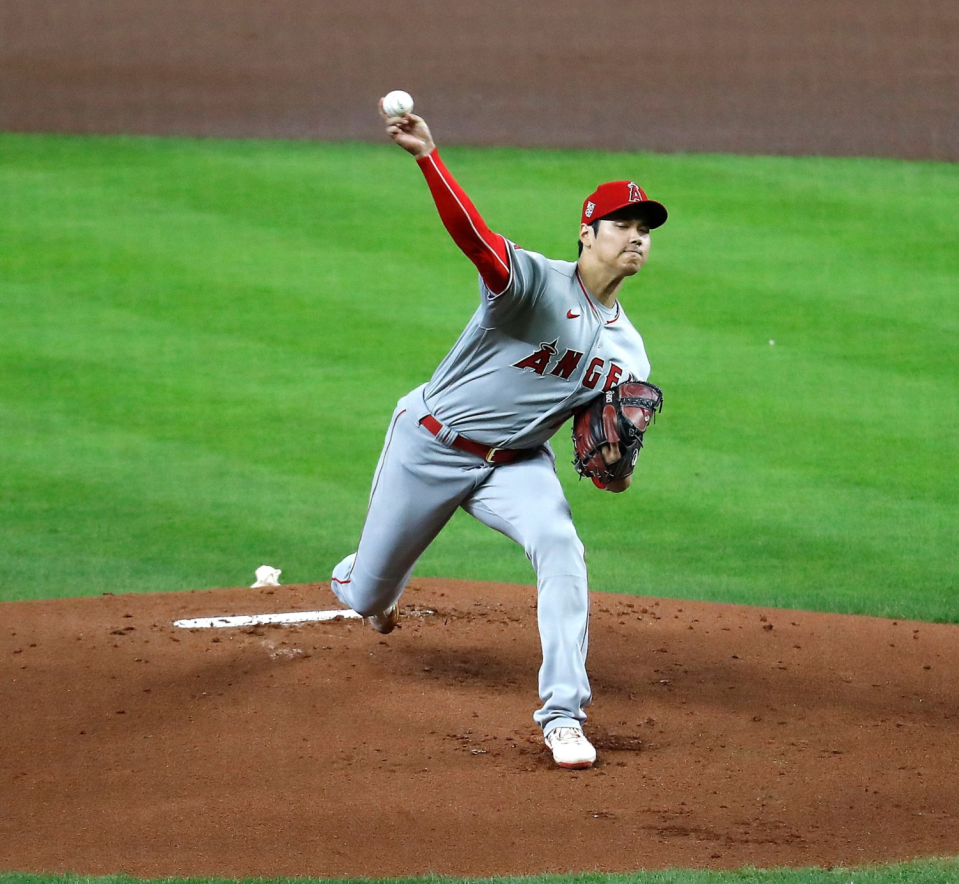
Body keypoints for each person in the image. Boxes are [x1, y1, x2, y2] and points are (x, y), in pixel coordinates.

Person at [330, 99, 668, 770]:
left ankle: (562, 716)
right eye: (620, 225)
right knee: (366, 598)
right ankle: (365, 581)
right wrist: (428, 156)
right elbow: (475, 238)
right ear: (586, 232)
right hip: (428, 444)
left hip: (515, 467)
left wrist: (614, 470)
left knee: (560, 545)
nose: (635, 237)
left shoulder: (629, 353)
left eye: (644, 230)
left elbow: (601, 448)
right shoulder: (532, 286)